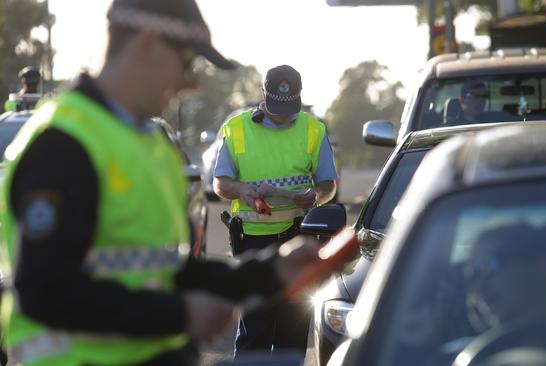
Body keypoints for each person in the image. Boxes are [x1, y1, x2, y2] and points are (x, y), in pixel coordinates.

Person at [0, 1, 325, 365]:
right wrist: (178, 314)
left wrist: (271, 272)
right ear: (148, 44)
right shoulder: (62, 144)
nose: (192, 82)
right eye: (187, 63)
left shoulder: (149, 144)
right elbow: (46, 292)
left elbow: (171, 271)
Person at [213, 65, 338, 359]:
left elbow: (328, 184)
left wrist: (316, 196)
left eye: (288, 108)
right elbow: (220, 183)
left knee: (292, 332)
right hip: (253, 243)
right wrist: (243, 191)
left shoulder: (312, 128)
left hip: (298, 238)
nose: (282, 115)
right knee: (254, 330)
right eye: (276, 107)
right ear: (262, 95)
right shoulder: (236, 128)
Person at [464, 219, 546, 332]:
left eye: (490, 266)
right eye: (473, 274)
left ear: (542, 265)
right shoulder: (465, 352)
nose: (479, 286)